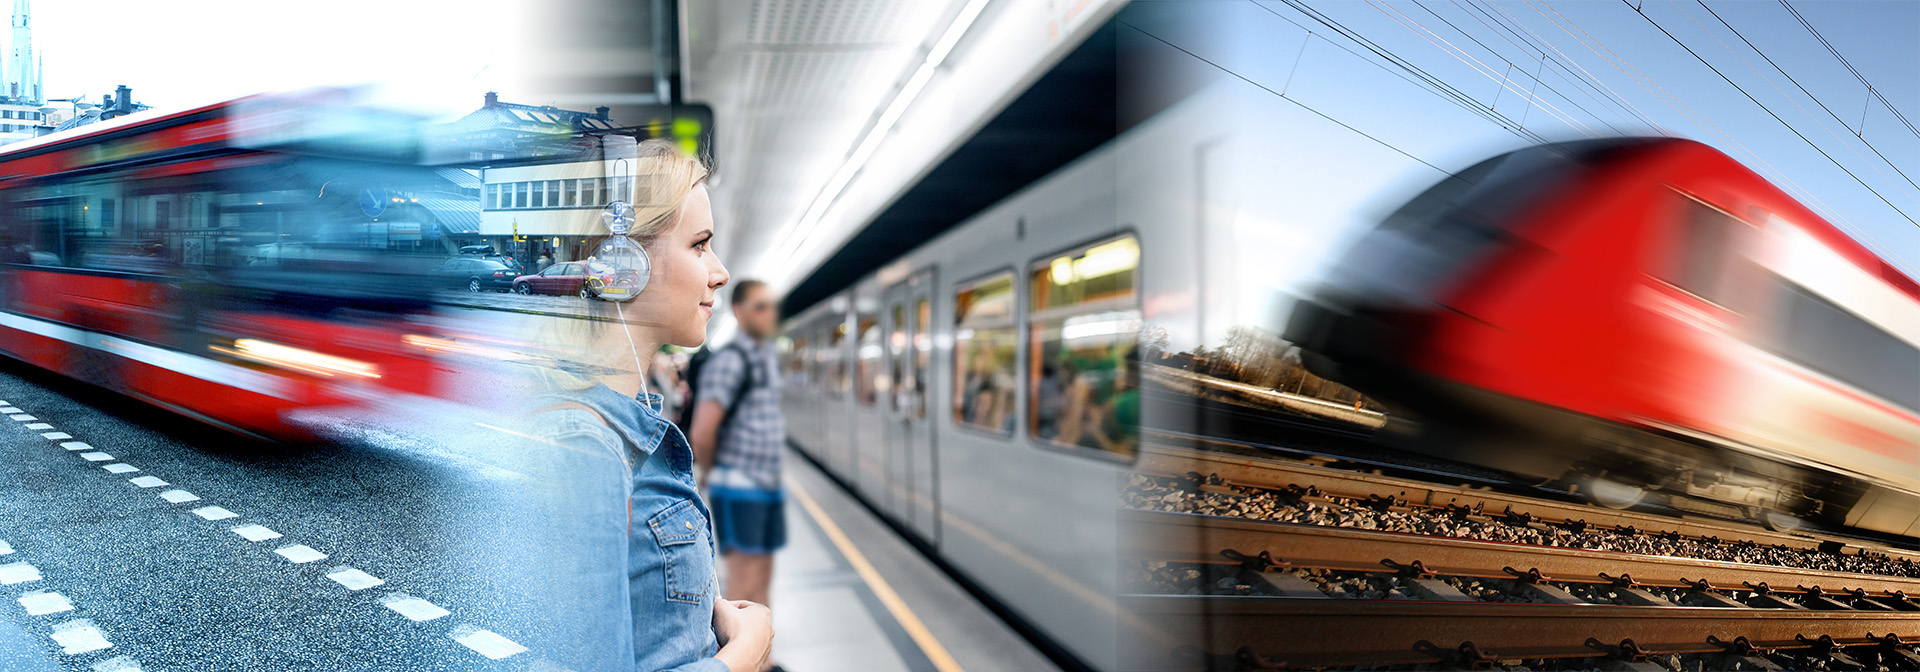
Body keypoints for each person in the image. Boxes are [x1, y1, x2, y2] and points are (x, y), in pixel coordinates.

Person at [522, 139, 772, 672]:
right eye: (700, 245)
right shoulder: (583, 446)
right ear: (623, 263)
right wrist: (746, 654)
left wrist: (707, 609)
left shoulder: (623, 420)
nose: (720, 271)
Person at [689, 278, 787, 672]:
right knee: (746, 577)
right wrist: (713, 474)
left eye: (771, 306)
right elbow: (703, 429)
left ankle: (764, 660)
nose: (769, 315)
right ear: (740, 311)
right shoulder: (729, 361)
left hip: (763, 484)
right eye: (760, 306)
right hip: (739, 483)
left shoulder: (762, 358)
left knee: (761, 570)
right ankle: (751, 662)